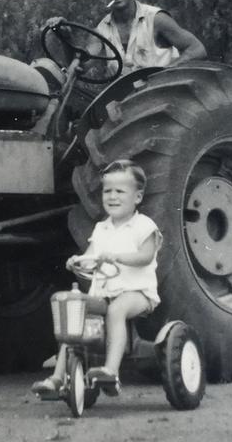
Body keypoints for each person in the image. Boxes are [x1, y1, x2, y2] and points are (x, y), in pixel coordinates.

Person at [31, 159, 163, 396]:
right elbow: (90, 257)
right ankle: (57, 378)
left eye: (120, 191)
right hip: (103, 293)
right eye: (107, 191)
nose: (112, 197)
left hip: (137, 292)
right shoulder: (101, 228)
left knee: (116, 311)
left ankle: (111, 371)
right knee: (74, 315)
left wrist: (118, 257)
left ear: (138, 197)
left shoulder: (144, 226)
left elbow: (145, 256)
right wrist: (77, 261)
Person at [47, 0, 206, 75]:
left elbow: (197, 49)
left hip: (163, 94)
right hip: (127, 102)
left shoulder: (156, 19)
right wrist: (66, 38)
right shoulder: (101, 30)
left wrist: (165, 72)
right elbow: (81, 66)